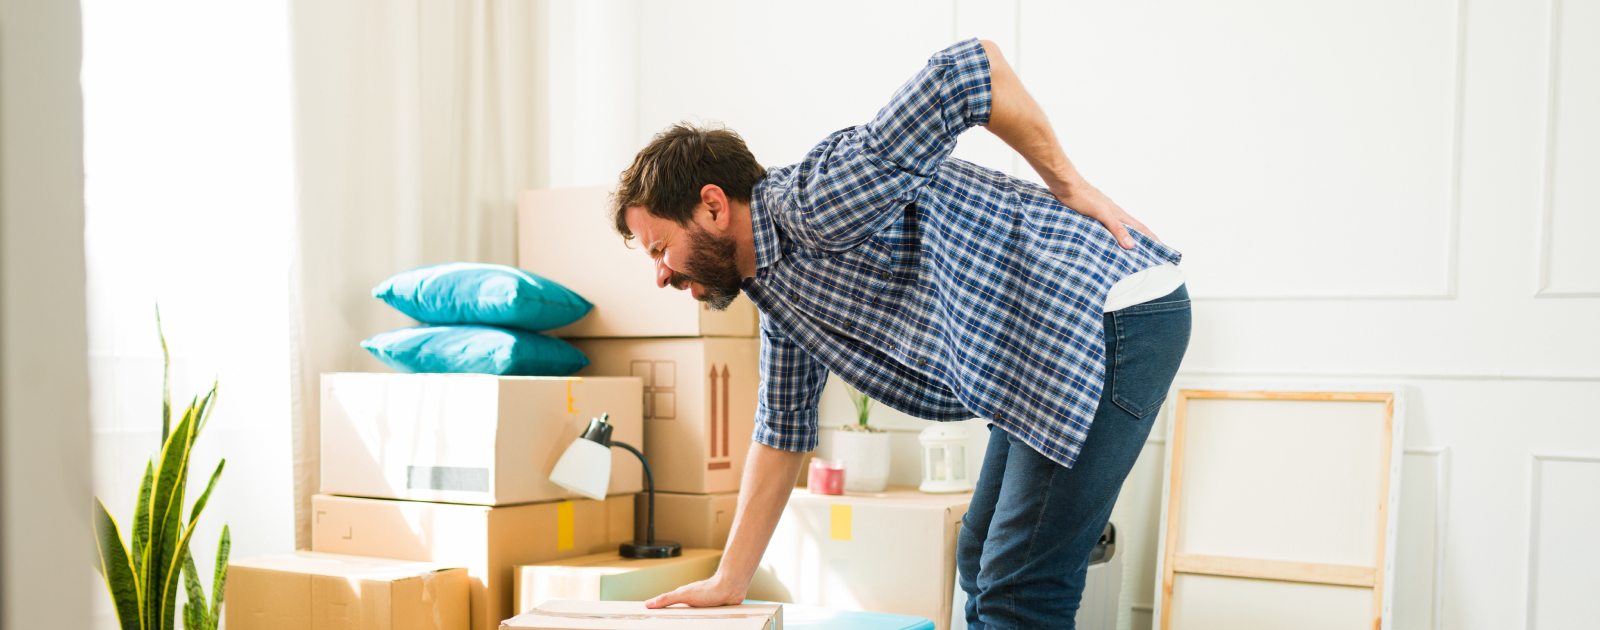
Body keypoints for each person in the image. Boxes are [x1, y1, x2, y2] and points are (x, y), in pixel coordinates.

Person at [612, 38, 1190, 629]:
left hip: (1106, 313)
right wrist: (729, 580)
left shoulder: (816, 201)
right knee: (979, 557)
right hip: (1041, 347)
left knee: (1021, 589)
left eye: (661, 248)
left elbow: (972, 68)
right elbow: (781, 433)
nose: (662, 274)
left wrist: (1068, 184)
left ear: (712, 207)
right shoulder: (778, 293)